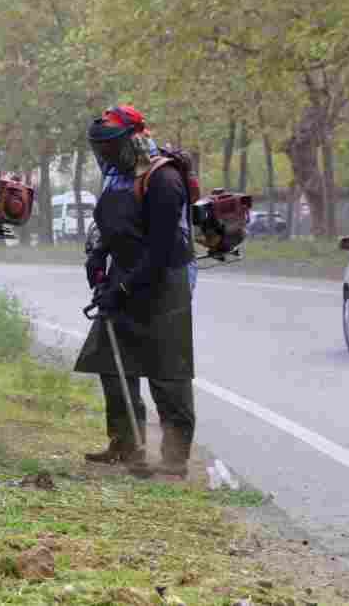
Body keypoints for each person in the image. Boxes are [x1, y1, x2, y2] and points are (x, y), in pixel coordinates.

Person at [77, 105, 196, 477]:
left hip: (163, 284)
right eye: (101, 149)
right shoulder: (115, 177)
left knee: (167, 371)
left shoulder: (164, 180)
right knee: (111, 362)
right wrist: (97, 257)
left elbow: (161, 250)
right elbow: (108, 225)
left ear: (133, 140)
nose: (105, 155)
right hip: (124, 275)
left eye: (111, 147)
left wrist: (125, 287)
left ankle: (174, 458)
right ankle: (127, 444)